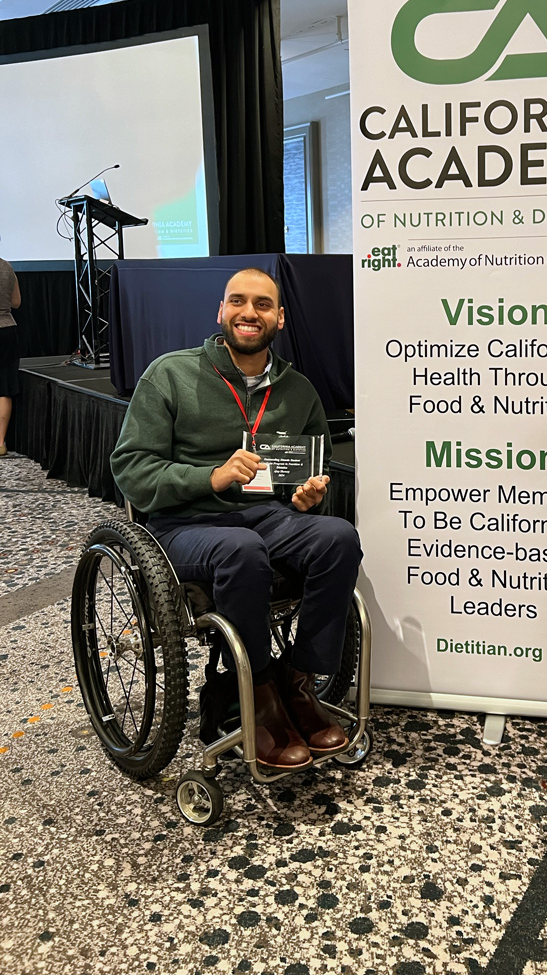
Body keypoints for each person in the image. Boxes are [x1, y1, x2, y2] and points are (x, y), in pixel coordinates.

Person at [111, 267, 362, 770]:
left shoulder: (298, 391)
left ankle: (299, 683)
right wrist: (211, 477)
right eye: (238, 302)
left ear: (281, 318)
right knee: (240, 550)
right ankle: (259, 690)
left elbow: (298, 477)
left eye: (263, 305)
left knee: (338, 536)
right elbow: (131, 469)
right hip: (180, 525)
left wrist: (303, 498)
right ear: (221, 312)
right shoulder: (171, 374)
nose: (250, 313)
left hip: (265, 516)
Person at [0, 257, 21, 458]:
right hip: (7, 330)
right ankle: (0, 443)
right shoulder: (7, 266)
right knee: (3, 387)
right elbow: (16, 302)